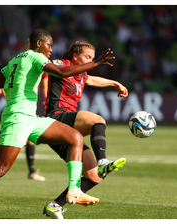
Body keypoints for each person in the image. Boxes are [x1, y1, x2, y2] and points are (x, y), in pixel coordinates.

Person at [0, 29, 115, 220]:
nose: (51, 49)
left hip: (31, 119)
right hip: (17, 118)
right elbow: (62, 72)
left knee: (76, 138)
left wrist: (18, 83)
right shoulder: (36, 57)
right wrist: (95, 63)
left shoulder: (15, 60)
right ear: (39, 44)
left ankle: (74, 190)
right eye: (49, 45)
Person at [42, 41, 128, 220]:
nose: (90, 60)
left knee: (94, 175)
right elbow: (42, 67)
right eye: (87, 57)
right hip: (55, 119)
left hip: (66, 133)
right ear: (75, 56)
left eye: (92, 58)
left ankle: (55, 205)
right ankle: (103, 159)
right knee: (97, 120)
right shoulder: (61, 64)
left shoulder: (81, 74)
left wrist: (115, 83)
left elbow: (93, 79)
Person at [0, 38, 47, 181]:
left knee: (26, 139)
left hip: (28, 105)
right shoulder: (27, 61)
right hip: (21, 106)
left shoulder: (27, 61)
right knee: (24, 140)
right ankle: (31, 172)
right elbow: (5, 83)